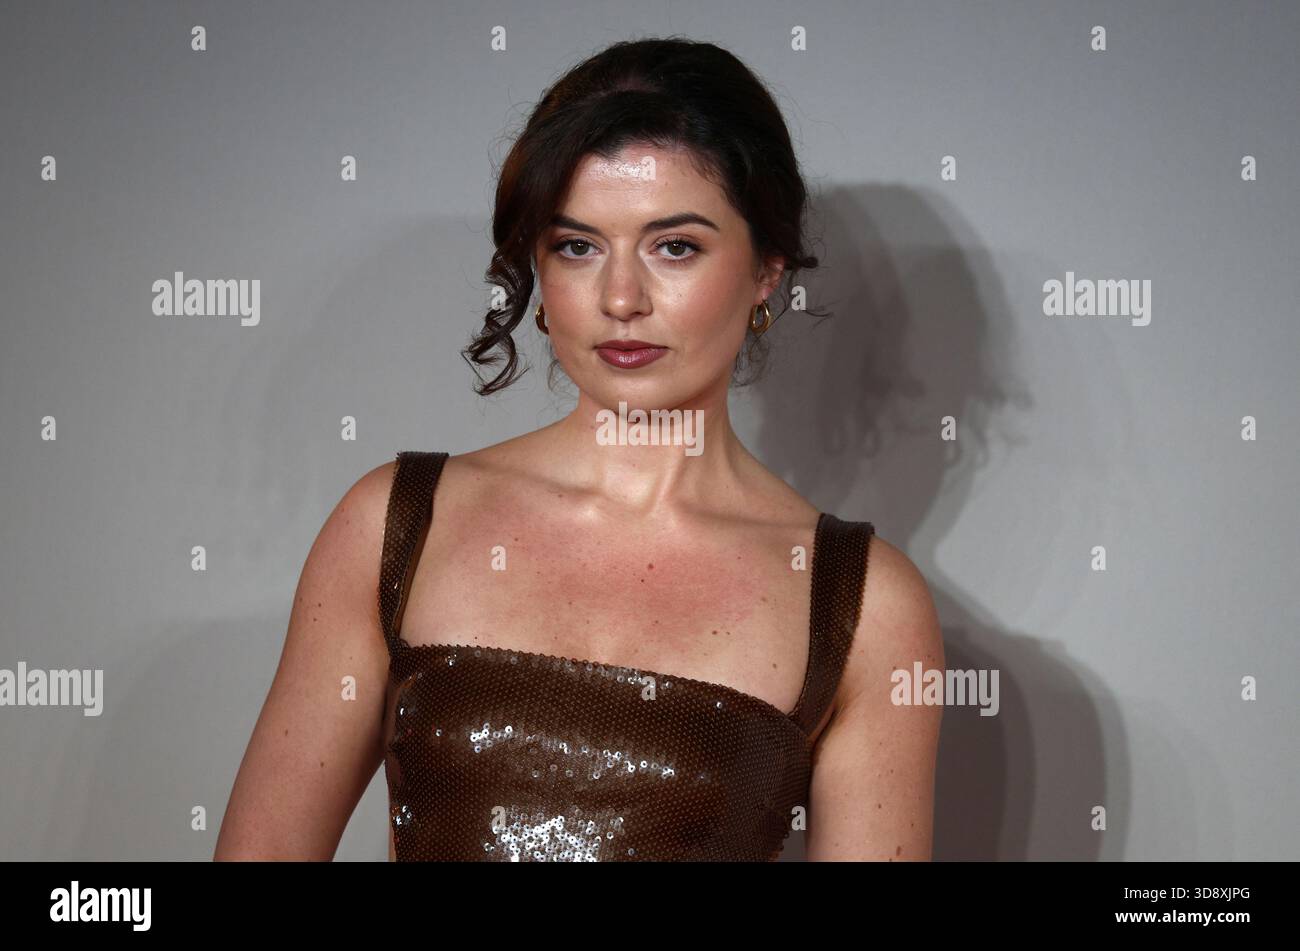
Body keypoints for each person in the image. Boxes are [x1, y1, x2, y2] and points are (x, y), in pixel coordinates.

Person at [214, 36, 943, 862]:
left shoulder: (864, 606)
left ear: (767, 268)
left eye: (676, 247)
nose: (621, 297)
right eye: (577, 246)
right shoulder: (396, 525)